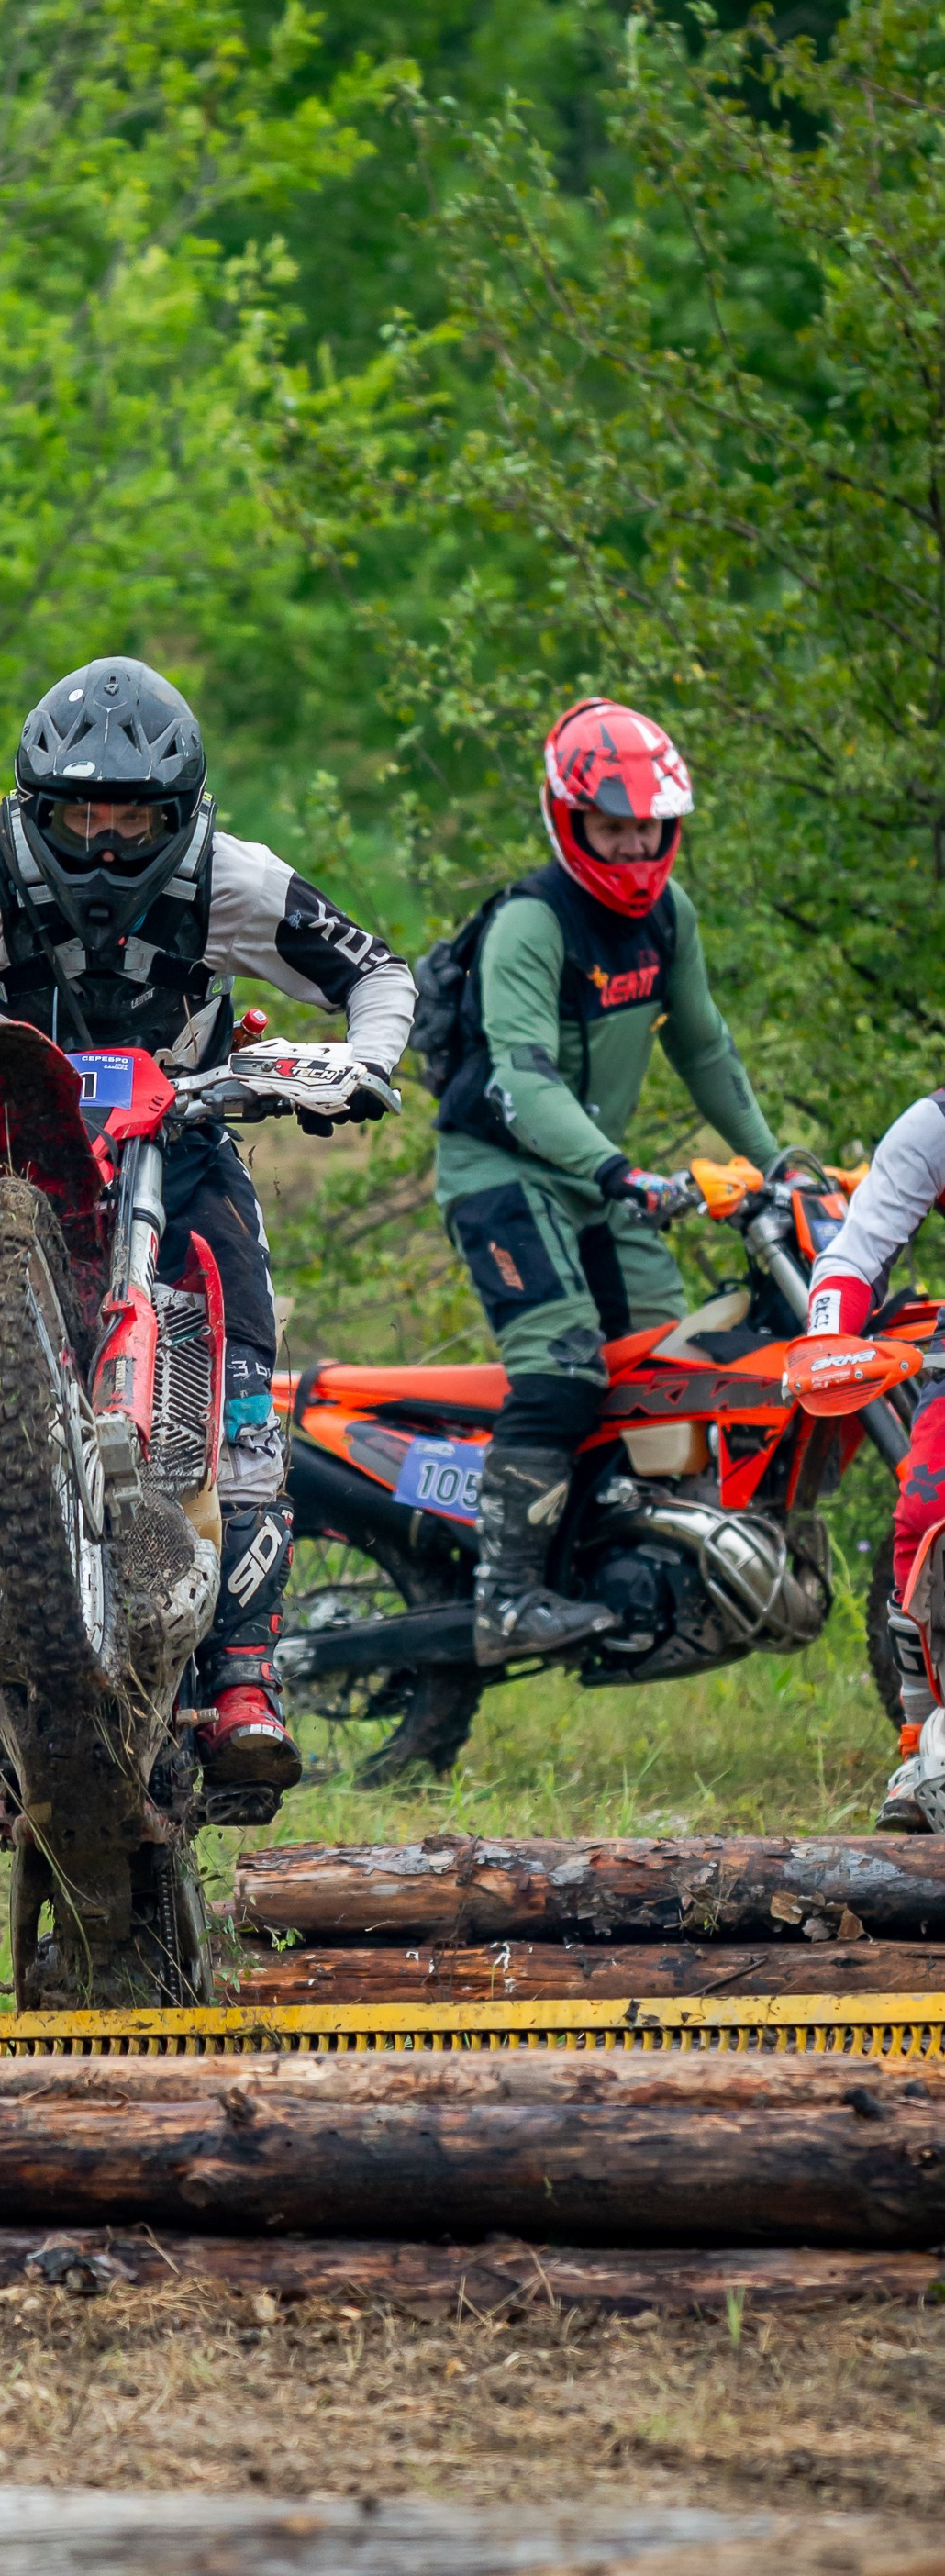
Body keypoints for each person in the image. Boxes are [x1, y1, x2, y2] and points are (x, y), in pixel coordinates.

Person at [0, 655, 415, 1821]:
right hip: (12, 1145)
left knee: (247, 1392)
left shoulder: (237, 878)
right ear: (37, 807)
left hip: (189, 1135)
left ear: (177, 814)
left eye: (131, 814)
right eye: (79, 811)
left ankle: (242, 1683)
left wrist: (359, 1063)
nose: (105, 839)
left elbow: (374, 969)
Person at [430, 698, 779, 1666]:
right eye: (612, 825)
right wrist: (623, 1172)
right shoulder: (531, 925)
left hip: (599, 1181)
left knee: (669, 1368)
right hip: (502, 1171)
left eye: (647, 827)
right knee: (565, 1361)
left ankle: (634, 1559)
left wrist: (779, 1163)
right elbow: (525, 1079)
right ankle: (505, 1599)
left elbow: (707, 1049)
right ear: (568, 817)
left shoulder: (670, 917)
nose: (631, 846)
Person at [799, 1103, 945, 1830]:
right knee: (922, 1515)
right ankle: (920, 1748)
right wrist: (828, 1337)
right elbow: (856, 1252)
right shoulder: (935, 1125)